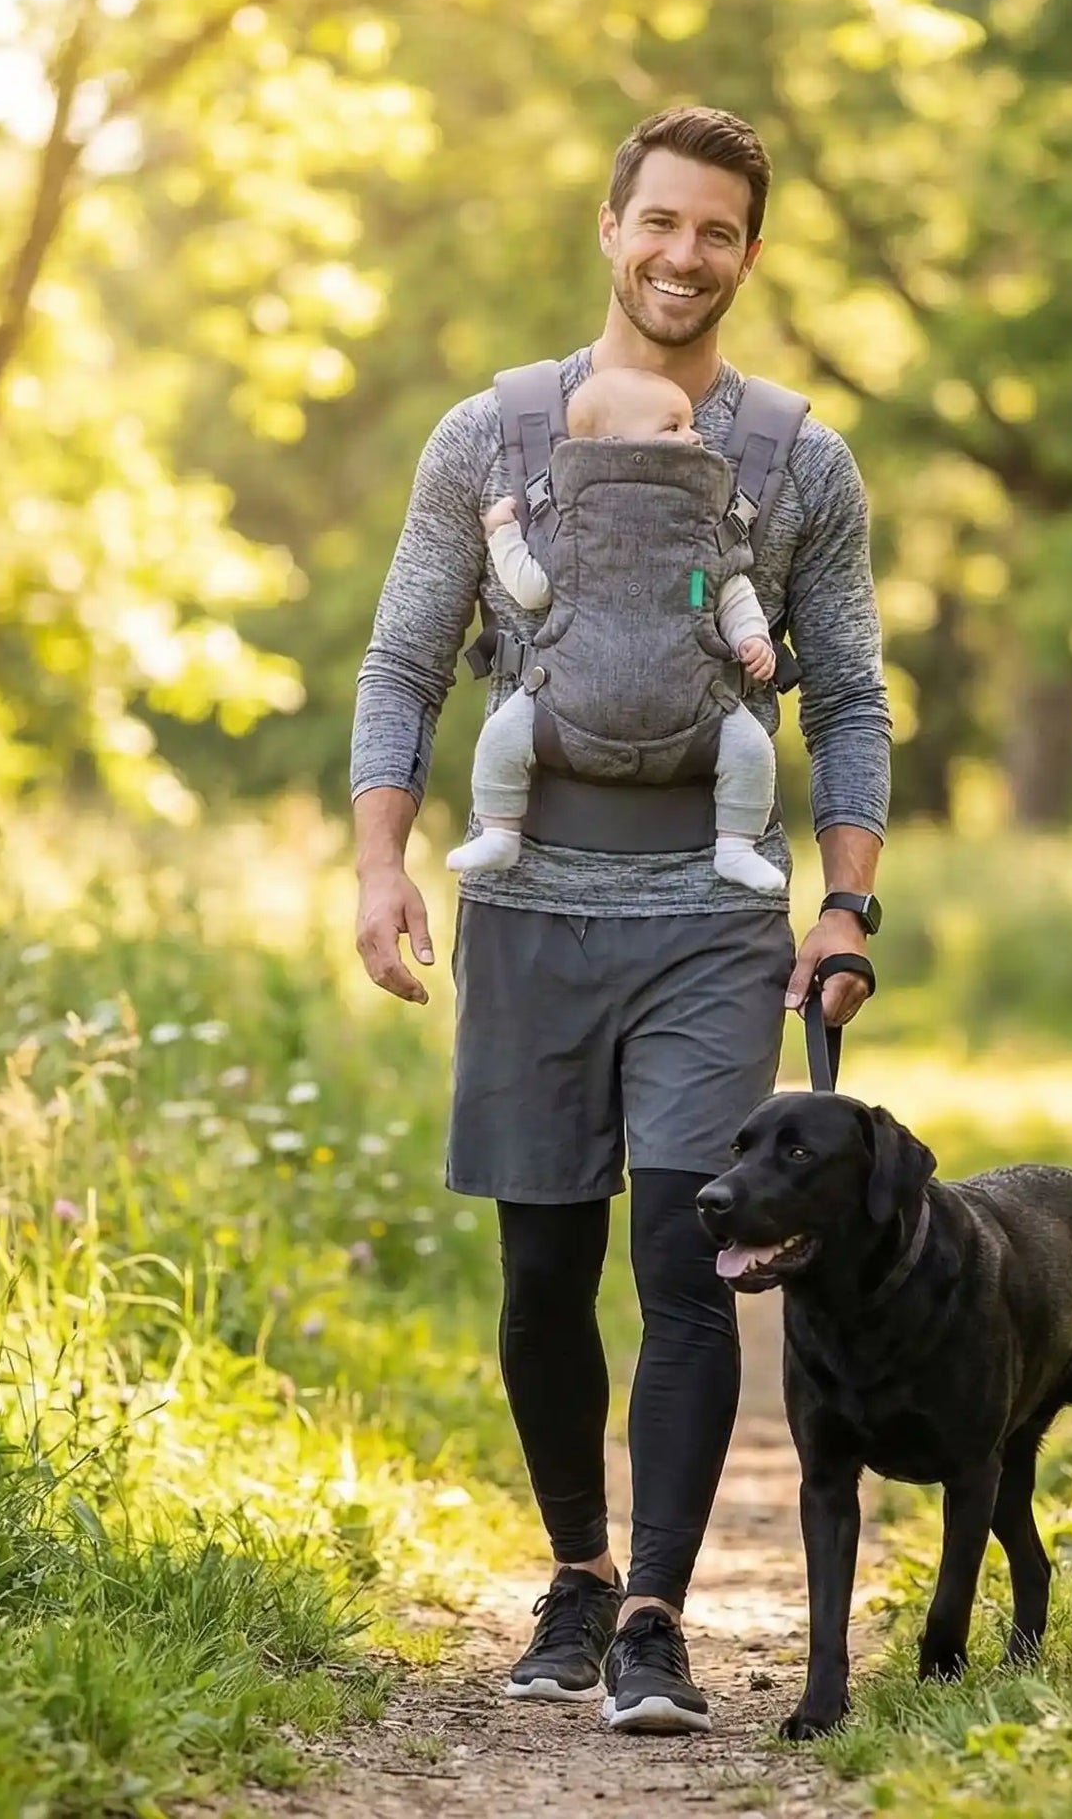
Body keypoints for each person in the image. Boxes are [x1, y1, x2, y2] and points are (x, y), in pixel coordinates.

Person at [350, 104, 890, 1737]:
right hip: (526, 901)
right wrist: (382, 862)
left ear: (748, 251)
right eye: (659, 221)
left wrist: (847, 898)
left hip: (712, 915)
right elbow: (404, 664)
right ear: (610, 227)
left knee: (686, 1252)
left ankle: (655, 1611)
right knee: (538, 1269)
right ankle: (577, 1575)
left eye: (717, 230)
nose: (682, 254)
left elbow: (851, 698)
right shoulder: (489, 437)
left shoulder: (800, 457)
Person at [445, 365, 784, 894]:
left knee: (751, 747)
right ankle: (499, 829)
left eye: (690, 426)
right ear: (612, 446)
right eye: (673, 427)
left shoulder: (701, 527)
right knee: (502, 734)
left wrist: (751, 638)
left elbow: (729, 590)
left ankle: (737, 846)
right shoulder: (578, 527)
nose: (695, 437)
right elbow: (534, 590)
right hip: (562, 701)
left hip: (698, 705)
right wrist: (504, 536)